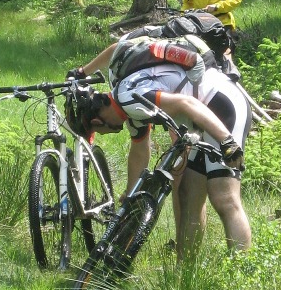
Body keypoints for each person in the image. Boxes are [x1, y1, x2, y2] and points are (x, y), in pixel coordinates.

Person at [67, 52, 252, 255]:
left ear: (97, 122)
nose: (104, 134)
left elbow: (186, 104)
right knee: (188, 195)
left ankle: (242, 268)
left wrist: (226, 140)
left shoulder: (129, 99)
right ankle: (186, 274)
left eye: (98, 132)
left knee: (223, 196)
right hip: (201, 115)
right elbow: (139, 152)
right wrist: (130, 196)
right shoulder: (128, 108)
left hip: (221, 103)